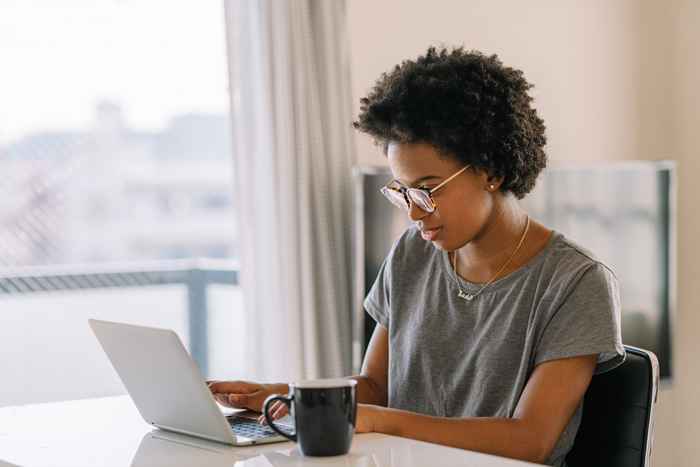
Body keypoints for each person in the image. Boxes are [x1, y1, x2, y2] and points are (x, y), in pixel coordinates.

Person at [208, 46, 624, 466]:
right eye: (402, 191)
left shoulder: (575, 281)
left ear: (491, 171)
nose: (413, 211)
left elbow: (531, 440)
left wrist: (379, 421)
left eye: (427, 189)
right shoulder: (412, 252)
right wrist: (287, 396)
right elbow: (375, 387)